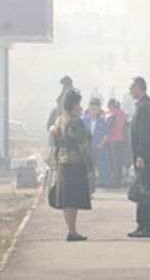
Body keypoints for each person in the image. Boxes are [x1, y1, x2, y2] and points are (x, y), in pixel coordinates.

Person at [51, 89, 94, 242]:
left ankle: (71, 229)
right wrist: (89, 165)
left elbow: (55, 142)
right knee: (73, 199)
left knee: (67, 199)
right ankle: (73, 231)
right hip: (75, 162)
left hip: (62, 161)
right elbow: (83, 145)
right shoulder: (76, 121)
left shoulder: (60, 120)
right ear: (75, 104)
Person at [128, 77, 150, 238]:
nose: (130, 91)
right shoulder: (141, 105)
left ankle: (149, 226)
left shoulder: (146, 106)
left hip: (144, 156)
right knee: (141, 189)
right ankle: (141, 224)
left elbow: (145, 134)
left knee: (145, 189)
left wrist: (140, 154)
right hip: (140, 155)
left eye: (132, 87)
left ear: (139, 88)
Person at [83, 98, 111, 189]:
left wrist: (101, 144)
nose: (93, 111)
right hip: (86, 147)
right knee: (87, 168)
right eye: (92, 109)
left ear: (98, 109)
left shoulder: (101, 121)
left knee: (93, 167)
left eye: (95, 109)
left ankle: (91, 187)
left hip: (96, 148)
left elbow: (107, 134)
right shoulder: (84, 120)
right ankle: (87, 187)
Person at [106, 98, 127, 186]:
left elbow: (108, 127)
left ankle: (115, 180)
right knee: (119, 160)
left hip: (113, 139)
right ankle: (119, 178)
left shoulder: (112, 115)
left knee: (114, 161)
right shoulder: (122, 113)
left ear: (111, 106)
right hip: (121, 139)